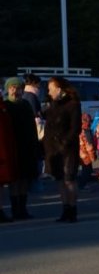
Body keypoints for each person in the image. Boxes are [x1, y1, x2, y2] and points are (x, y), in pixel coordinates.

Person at [43, 76, 82, 223]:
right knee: (60, 179)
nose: (49, 92)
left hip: (67, 147)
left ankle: (72, 209)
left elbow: (75, 127)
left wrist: (65, 141)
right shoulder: (53, 104)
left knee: (69, 179)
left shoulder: (73, 104)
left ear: (59, 89)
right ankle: (65, 208)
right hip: (53, 147)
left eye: (51, 89)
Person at [4, 77, 40, 219]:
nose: (15, 91)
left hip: (26, 145)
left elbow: (32, 127)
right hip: (12, 146)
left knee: (25, 178)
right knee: (14, 179)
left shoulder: (25, 105)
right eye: (12, 88)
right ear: (8, 89)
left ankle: (22, 209)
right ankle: (15, 209)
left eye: (18, 88)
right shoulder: (5, 106)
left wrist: (35, 145)